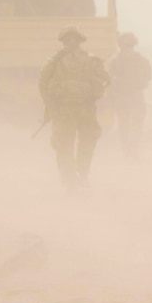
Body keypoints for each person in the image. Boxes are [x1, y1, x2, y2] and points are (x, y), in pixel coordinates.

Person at [38, 26, 110, 188]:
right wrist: (51, 107)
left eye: (75, 39)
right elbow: (43, 86)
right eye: (68, 39)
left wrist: (95, 92)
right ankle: (69, 179)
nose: (71, 42)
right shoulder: (53, 62)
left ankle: (83, 173)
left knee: (89, 140)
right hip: (63, 109)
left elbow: (105, 80)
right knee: (63, 145)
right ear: (63, 42)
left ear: (80, 41)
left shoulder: (91, 61)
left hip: (86, 108)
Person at [108, 32, 152, 158]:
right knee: (128, 123)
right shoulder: (139, 60)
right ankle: (130, 148)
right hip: (127, 96)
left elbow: (148, 76)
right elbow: (148, 76)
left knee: (129, 123)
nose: (127, 47)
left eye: (128, 45)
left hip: (130, 95)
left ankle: (130, 148)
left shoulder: (115, 61)